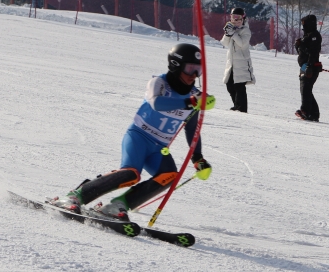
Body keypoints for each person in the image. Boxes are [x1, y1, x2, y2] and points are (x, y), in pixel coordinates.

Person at [52, 43, 215, 218]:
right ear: (175, 65)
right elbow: (156, 103)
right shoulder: (159, 83)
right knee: (131, 174)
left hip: (159, 147)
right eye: (191, 69)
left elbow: (192, 130)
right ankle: (75, 196)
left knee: (169, 176)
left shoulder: (195, 97)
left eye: (199, 70)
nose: (194, 75)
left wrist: (197, 158)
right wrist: (189, 102)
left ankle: (118, 205)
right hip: (139, 137)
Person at [221, 7, 255, 113]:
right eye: (233, 18)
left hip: (242, 64)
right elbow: (224, 43)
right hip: (231, 63)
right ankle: (236, 105)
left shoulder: (246, 31)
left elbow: (242, 44)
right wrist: (228, 34)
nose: (236, 20)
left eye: (238, 18)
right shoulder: (232, 29)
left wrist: (234, 34)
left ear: (243, 19)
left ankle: (242, 108)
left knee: (239, 86)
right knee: (229, 84)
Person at [294, 14, 322, 122]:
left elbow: (313, 52)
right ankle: (314, 114)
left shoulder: (315, 36)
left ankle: (305, 110)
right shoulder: (307, 36)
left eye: (305, 24)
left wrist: (310, 66)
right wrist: (298, 45)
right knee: (306, 89)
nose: (303, 27)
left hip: (311, 67)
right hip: (304, 66)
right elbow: (302, 52)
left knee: (306, 88)